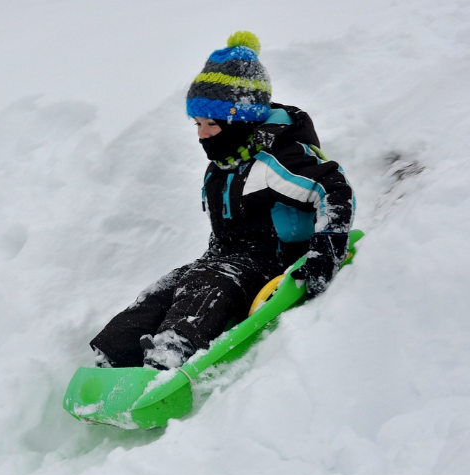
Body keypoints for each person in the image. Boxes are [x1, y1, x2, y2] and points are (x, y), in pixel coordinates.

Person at [89, 31, 355, 370]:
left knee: (209, 281)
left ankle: (169, 357)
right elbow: (226, 227)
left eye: (211, 124)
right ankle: (111, 356)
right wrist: (208, 260)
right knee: (168, 286)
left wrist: (326, 250)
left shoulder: (274, 162)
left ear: (239, 120)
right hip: (229, 259)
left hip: (279, 260)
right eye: (197, 123)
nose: (201, 134)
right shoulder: (222, 166)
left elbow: (334, 190)